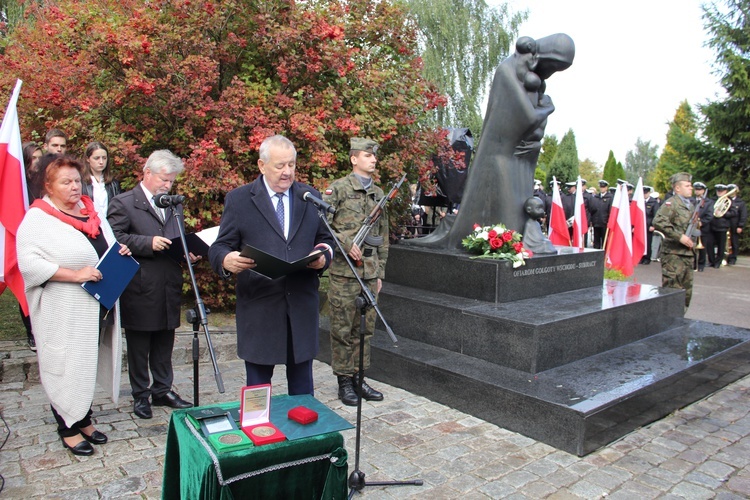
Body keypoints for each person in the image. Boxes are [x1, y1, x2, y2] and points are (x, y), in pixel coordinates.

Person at [16, 156, 130, 456]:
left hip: (96, 305)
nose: (74, 186)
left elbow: (105, 244)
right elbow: (28, 265)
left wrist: (119, 250)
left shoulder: (89, 212)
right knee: (65, 364)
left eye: (77, 180)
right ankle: (66, 426)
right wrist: (75, 275)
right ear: (48, 185)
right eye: (65, 182)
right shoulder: (38, 218)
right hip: (62, 308)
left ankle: (84, 418)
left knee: (85, 362)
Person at [208, 135, 333, 395]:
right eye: (280, 166)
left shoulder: (309, 196)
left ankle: (303, 433)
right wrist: (225, 260)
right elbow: (220, 246)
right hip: (260, 307)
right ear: (262, 165)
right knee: (257, 390)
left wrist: (323, 255)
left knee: (302, 392)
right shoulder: (239, 199)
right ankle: (257, 432)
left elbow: (326, 238)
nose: (287, 172)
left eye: (292, 165)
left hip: (300, 305)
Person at [108, 150, 195, 419]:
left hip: (168, 281)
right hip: (139, 283)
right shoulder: (123, 203)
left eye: (171, 181)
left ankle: (162, 390)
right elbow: (115, 237)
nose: (168, 186)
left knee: (164, 339)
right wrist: (147, 243)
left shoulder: (172, 203)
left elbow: (174, 234)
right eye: (164, 180)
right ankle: (140, 394)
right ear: (147, 173)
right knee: (139, 343)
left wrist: (186, 251)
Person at [322, 138, 389, 406]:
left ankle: (360, 378)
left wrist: (380, 271)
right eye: (367, 155)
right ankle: (344, 382)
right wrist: (346, 243)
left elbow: (383, 236)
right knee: (342, 328)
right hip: (344, 273)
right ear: (353, 159)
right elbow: (322, 227)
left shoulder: (379, 193)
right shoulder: (336, 190)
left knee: (366, 329)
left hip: (370, 274)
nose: (373, 160)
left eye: (374, 156)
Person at [652, 173, 696, 309]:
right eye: (687, 186)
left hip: (687, 254)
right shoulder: (672, 203)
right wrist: (679, 236)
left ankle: (679, 319)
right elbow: (658, 221)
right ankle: (668, 322)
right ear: (677, 188)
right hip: (673, 254)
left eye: (691, 185)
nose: (691, 188)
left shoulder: (690, 205)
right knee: (672, 291)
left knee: (686, 292)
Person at [19, 142, 44, 351]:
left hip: (45, 235)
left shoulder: (45, 181)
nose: (38, 161)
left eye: (40, 157)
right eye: (34, 157)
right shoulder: (19, 182)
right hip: (25, 235)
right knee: (26, 285)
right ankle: (31, 331)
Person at [82, 142, 122, 216]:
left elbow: (118, 209)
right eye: (96, 158)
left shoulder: (113, 184)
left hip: (110, 225)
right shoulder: (81, 182)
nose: (101, 162)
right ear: (88, 159)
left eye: (104, 158)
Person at [707, 184, 734, 268]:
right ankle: (711, 261)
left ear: (725, 191)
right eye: (718, 191)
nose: (719, 192)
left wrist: (723, 213)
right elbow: (708, 210)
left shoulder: (729, 201)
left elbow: (734, 213)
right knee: (710, 244)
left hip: (722, 225)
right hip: (711, 224)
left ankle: (718, 262)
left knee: (721, 245)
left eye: (721, 191)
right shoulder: (712, 200)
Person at [691, 182, 713, 271]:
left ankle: (701, 265)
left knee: (702, 247)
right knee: (691, 246)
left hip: (702, 227)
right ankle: (693, 264)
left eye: (699, 190)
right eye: (696, 189)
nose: (697, 191)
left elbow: (710, 215)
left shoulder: (708, 202)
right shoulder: (691, 200)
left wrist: (702, 222)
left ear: (703, 190)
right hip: (692, 226)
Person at [725, 183, 746, 266]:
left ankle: (733, 258)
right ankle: (725, 257)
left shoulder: (740, 202)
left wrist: (740, 225)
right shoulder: (726, 200)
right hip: (726, 224)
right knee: (725, 242)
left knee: (734, 241)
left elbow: (743, 215)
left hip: (735, 225)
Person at [589, 180, 612, 249]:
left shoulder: (610, 197)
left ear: (606, 188)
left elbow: (610, 210)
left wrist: (608, 221)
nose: (602, 188)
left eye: (603, 187)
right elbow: (592, 209)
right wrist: (591, 220)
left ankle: (604, 257)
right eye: (601, 187)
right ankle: (597, 258)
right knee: (596, 242)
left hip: (605, 223)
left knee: (605, 242)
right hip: (596, 223)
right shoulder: (596, 197)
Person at [641, 186, 660, 265]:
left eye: (646, 193)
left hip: (649, 225)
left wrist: (653, 225)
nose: (644, 195)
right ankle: (641, 257)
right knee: (641, 242)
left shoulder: (653, 202)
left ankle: (647, 258)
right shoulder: (640, 201)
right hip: (641, 225)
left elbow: (655, 215)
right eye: (643, 193)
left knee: (648, 242)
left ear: (649, 193)